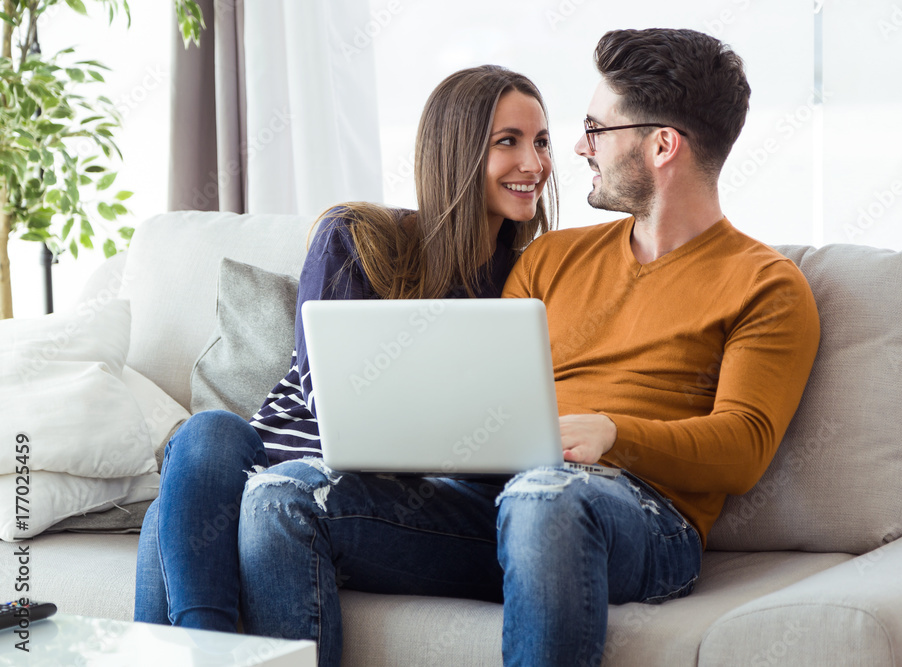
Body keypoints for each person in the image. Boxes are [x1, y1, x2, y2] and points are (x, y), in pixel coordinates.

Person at [237, 28, 821, 666]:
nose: (575, 148)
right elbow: (483, 392)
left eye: (596, 129)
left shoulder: (766, 285)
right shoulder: (550, 258)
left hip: (640, 518)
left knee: (545, 494)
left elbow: (743, 448)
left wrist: (612, 433)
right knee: (280, 496)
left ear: (661, 145)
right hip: (495, 502)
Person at [132, 64, 556, 631]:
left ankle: (204, 648)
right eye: (509, 142)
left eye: (542, 142)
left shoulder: (536, 278)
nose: (535, 164)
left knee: (171, 517)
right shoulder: (361, 239)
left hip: (380, 506)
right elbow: (325, 394)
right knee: (205, 435)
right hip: (278, 463)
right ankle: (206, 646)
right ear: (456, 152)